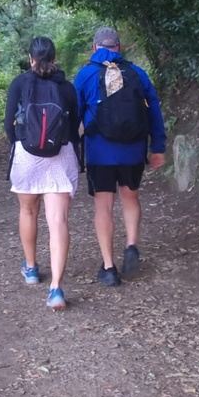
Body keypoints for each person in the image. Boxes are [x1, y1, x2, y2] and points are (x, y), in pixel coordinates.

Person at [73, 26, 167, 287]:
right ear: (119, 46)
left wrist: (71, 150)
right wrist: (157, 147)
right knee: (130, 196)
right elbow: (154, 111)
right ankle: (132, 245)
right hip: (133, 149)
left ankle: (109, 267)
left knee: (104, 205)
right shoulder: (137, 73)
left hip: (100, 152)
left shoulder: (85, 75)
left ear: (95, 48)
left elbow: (74, 116)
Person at [5, 35, 81, 311]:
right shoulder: (67, 87)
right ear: (55, 57)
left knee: (28, 212)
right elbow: (75, 126)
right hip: (61, 155)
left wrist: (21, 143)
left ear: (31, 58)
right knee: (57, 221)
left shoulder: (19, 83)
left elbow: (8, 124)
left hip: (27, 155)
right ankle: (56, 289)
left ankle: (32, 268)